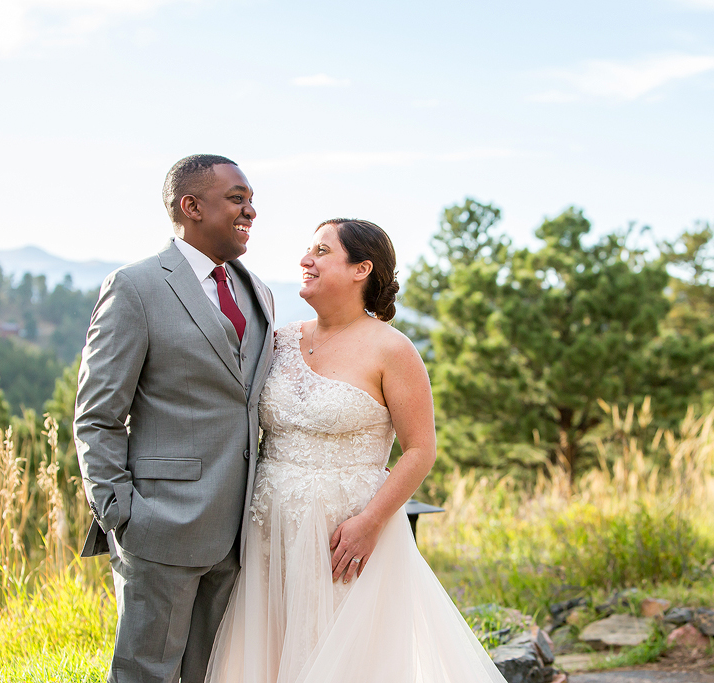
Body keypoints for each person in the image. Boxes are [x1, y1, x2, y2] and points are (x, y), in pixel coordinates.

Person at [204, 219, 506, 682]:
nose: (306, 260)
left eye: (321, 251)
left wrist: (371, 523)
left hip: (346, 538)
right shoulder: (279, 340)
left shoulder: (393, 350)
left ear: (362, 268)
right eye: (308, 250)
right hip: (269, 529)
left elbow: (420, 450)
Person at [74, 155, 275, 683]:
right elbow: (97, 415)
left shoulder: (260, 292)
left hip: (237, 531)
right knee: (145, 674)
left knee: (213, 674)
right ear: (191, 206)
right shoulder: (135, 287)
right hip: (158, 526)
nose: (251, 210)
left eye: (251, 199)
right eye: (237, 198)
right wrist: (119, 511)